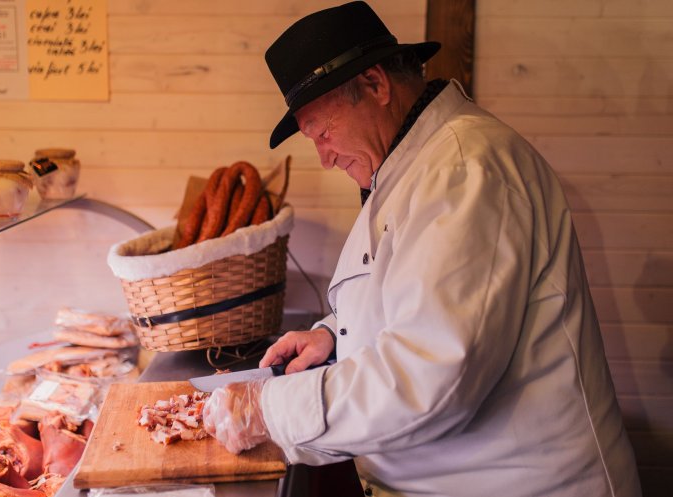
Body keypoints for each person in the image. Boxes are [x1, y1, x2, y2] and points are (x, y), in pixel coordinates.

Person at [202, 2, 642, 496]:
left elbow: (432, 375)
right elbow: (410, 302)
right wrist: (335, 337)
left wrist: (269, 409)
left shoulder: (464, 171)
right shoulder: (408, 165)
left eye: (323, 134)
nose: (324, 157)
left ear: (375, 85)